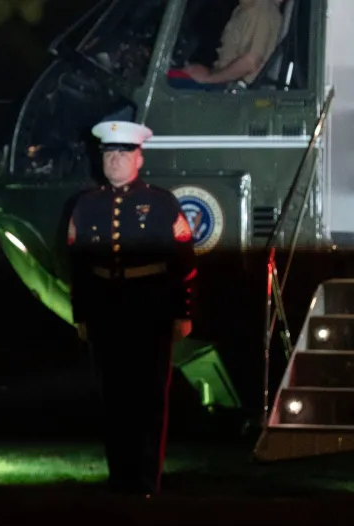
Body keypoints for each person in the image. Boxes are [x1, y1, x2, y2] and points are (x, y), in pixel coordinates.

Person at [66, 120, 197, 497]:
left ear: (139, 158)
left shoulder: (161, 203)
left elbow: (184, 261)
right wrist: (82, 314)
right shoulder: (86, 205)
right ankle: (120, 478)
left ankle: (146, 480)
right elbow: (78, 265)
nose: (115, 160)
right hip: (106, 312)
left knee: (149, 396)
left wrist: (182, 311)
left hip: (149, 310)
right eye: (109, 153)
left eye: (123, 153)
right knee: (114, 399)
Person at [171, 0, 283, 90]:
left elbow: (250, 62)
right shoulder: (245, 8)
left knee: (166, 84)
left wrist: (209, 78)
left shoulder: (261, 9)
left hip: (229, 92)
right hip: (222, 83)